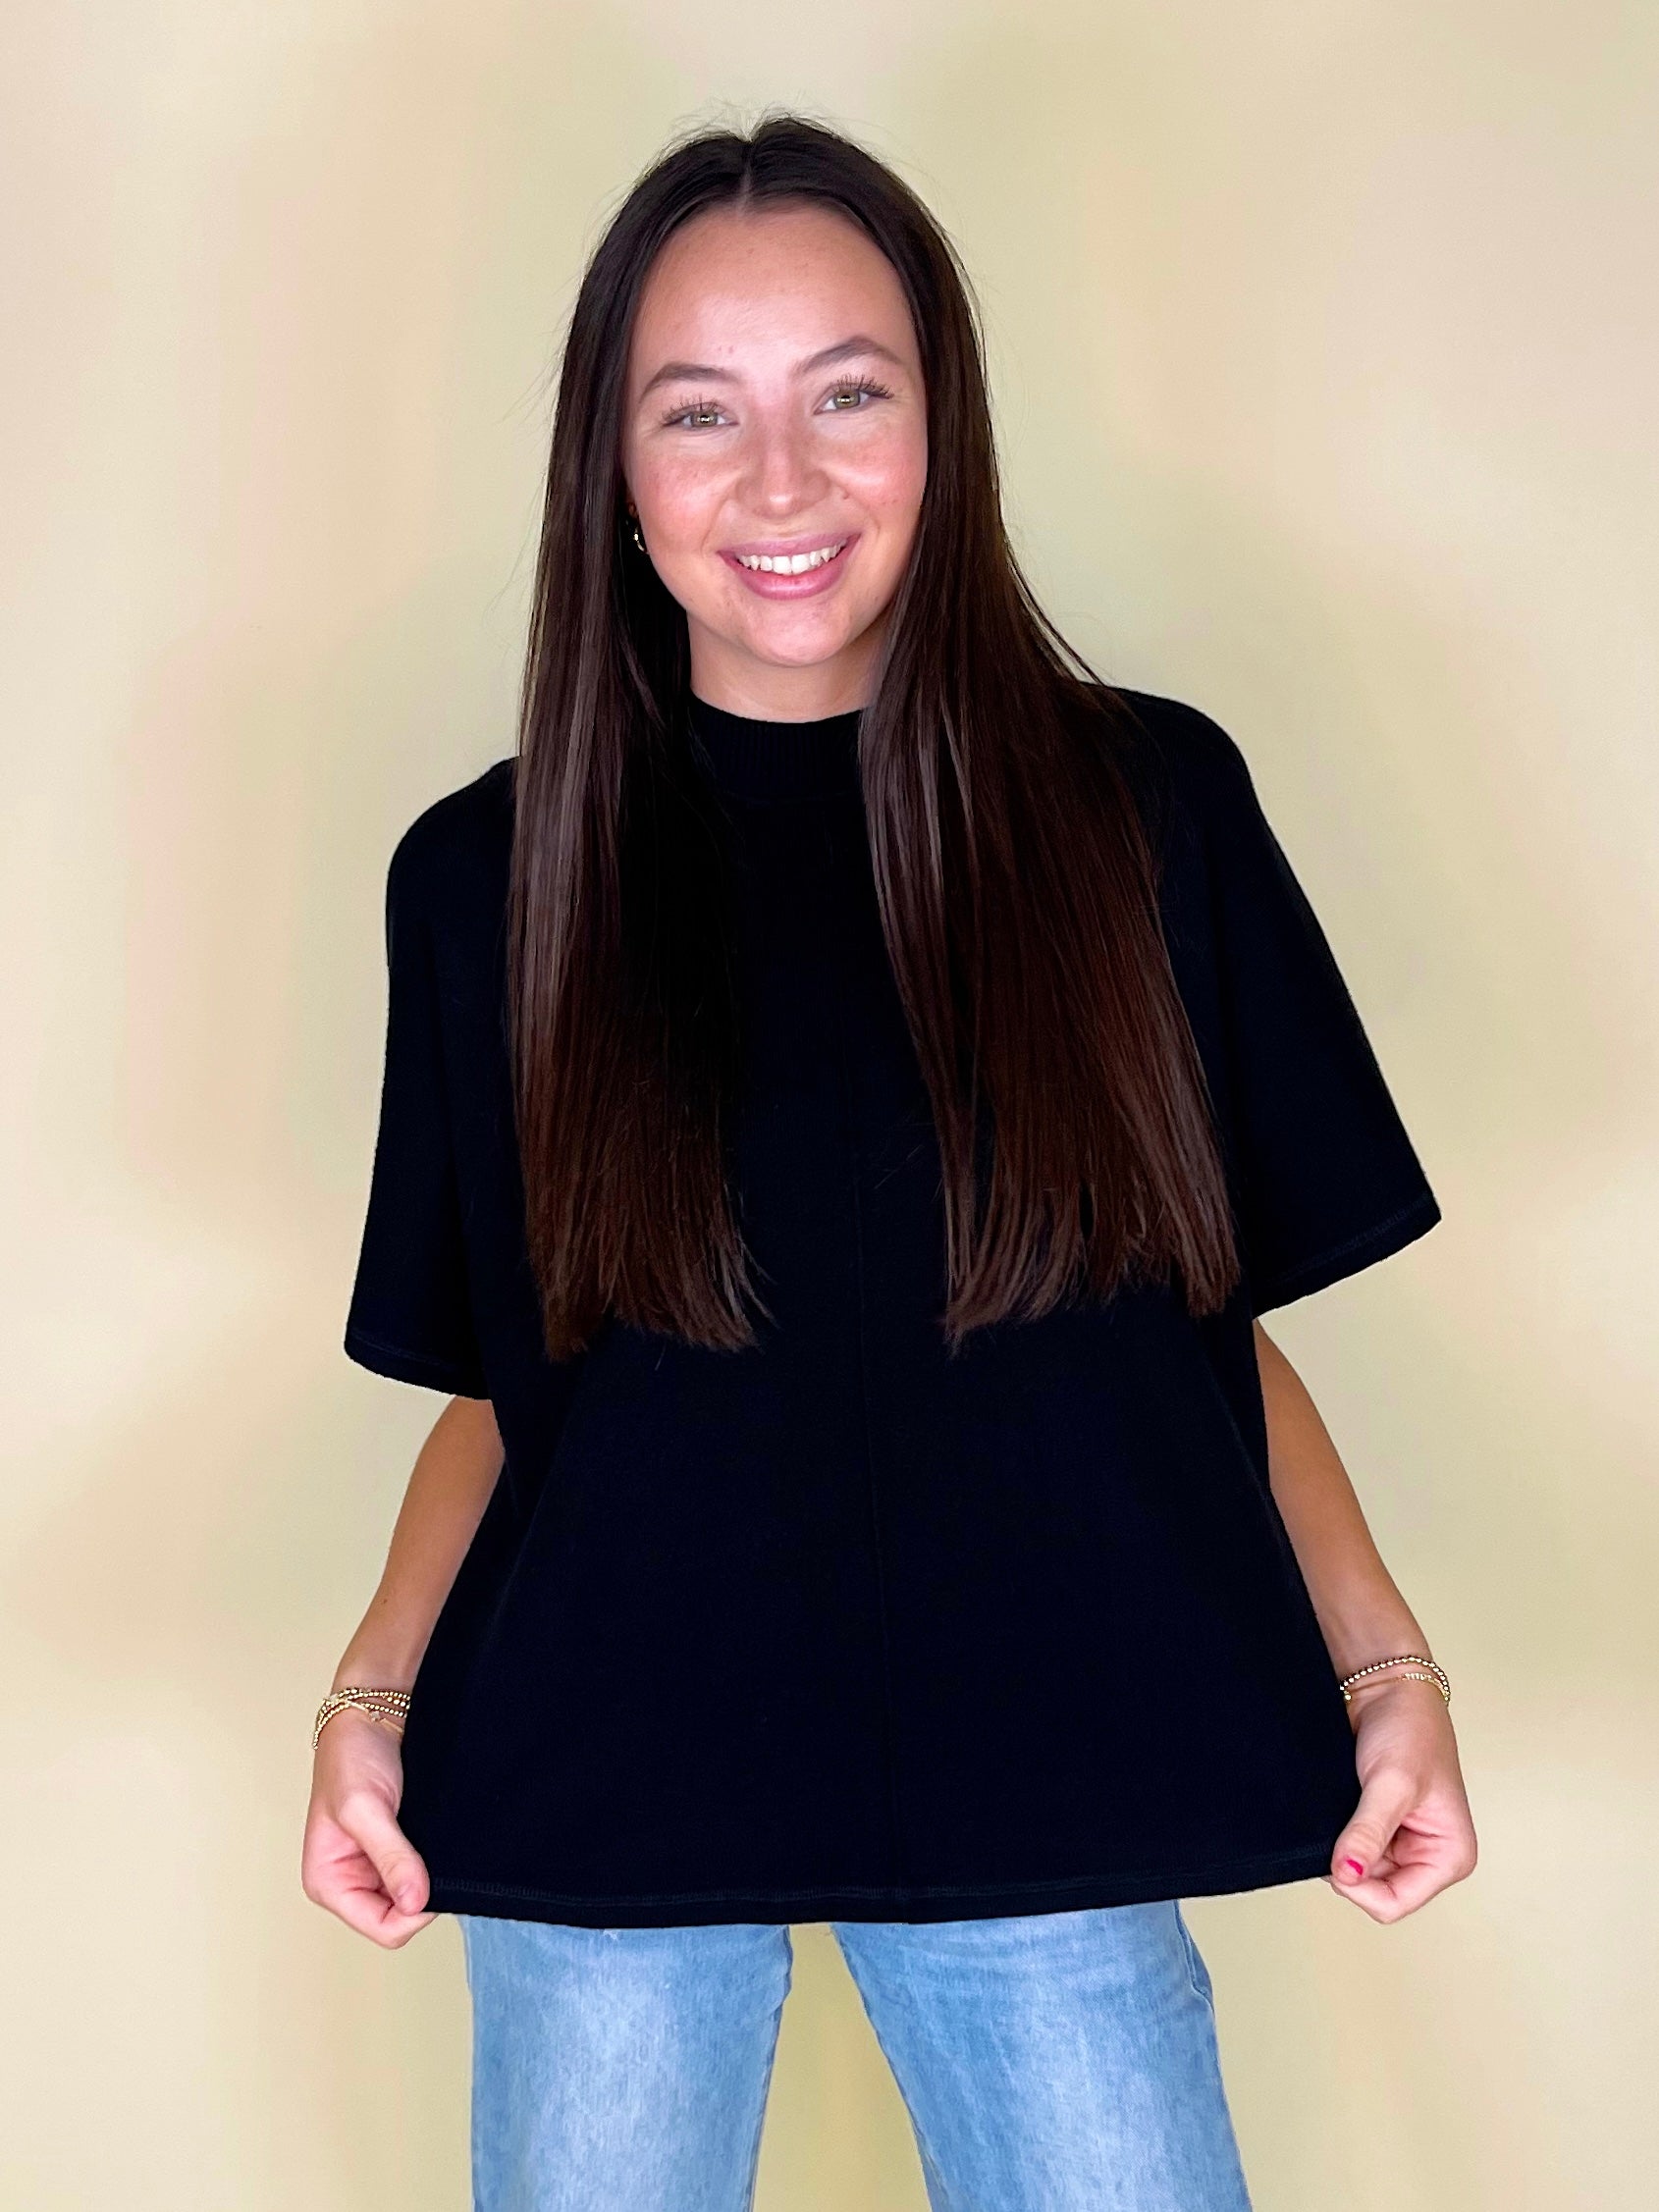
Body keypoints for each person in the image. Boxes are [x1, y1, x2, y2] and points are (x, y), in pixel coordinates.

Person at [301, 114, 1477, 2212]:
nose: (780, 484)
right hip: (604, 1785)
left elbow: (1200, 1330)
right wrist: (370, 1693)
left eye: (847, 395)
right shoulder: (487, 878)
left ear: (943, 428)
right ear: (614, 473)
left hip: (1049, 1775)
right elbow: (516, 1382)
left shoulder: (1145, 812)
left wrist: (1384, 1666)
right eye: (698, 413)